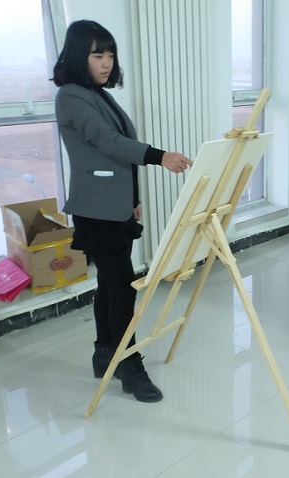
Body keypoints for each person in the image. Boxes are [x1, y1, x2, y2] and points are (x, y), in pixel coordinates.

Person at [52, 20, 192, 403]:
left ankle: (104, 354)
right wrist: (160, 156)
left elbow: (116, 153)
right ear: (79, 56)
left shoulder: (97, 94)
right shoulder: (70, 96)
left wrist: (132, 197)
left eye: (110, 54)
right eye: (98, 54)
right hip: (95, 211)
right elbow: (108, 141)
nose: (107, 62)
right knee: (122, 289)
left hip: (115, 207)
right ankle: (130, 368)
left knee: (110, 286)